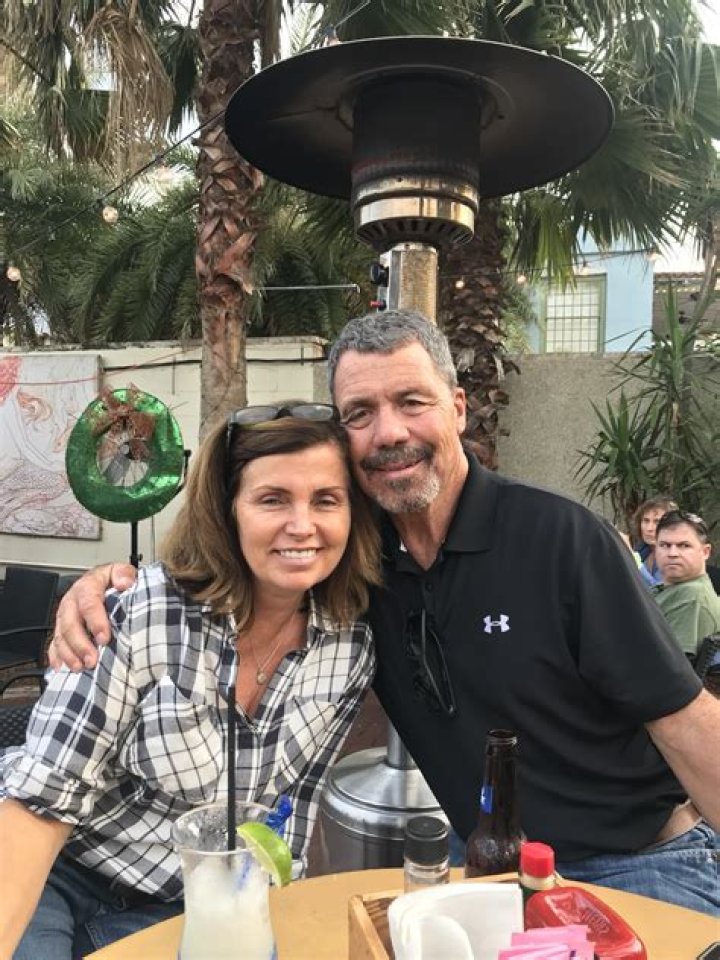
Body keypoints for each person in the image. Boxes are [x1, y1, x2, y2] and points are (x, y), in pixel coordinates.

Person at [50, 311, 720, 917]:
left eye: (411, 402)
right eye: (360, 412)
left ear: (458, 409)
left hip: (634, 862)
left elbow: (686, 719)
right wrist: (110, 586)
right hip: (486, 863)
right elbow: (233, 567)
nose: (390, 432)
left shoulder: (560, 540)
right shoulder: (349, 559)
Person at [0, 405, 381, 960]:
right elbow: (41, 807)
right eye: (272, 499)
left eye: (326, 500)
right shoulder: (145, 615)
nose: (303, 525)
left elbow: (288, 820)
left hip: (189, 898)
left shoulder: (349, 648)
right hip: (60, 872)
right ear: (226, 511)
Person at [653, 509, 720, 659]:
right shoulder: (670, 587)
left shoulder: (690, 596)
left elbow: (672, 665)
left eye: (684, 545)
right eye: (665, 545)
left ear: (705, 552)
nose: (672, 553)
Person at [631, 495, 679, 587]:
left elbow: (659, 590)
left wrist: (635, 563)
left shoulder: (674, 555)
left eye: (657, 522)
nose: (649, 528)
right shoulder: (641, 549)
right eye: (646, 521)